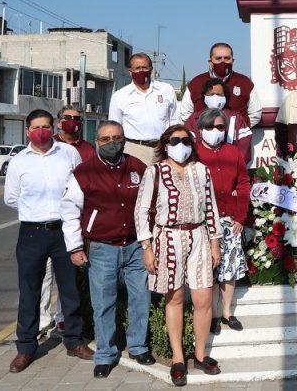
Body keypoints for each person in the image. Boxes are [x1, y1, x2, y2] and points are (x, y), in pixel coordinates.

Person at [59, 120, 155, 378]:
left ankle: (138, 346)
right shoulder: (84, 172)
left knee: (140, 298)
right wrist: (75, 247)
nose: (112, 143)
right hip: (102, 248)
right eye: (106, 139)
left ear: (123, 139)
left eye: (117, 137)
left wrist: (151, 240)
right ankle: (106, 354)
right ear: (97, 142)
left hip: (136, 245)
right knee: (103, 303)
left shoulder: (137, 167)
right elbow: (70, 212)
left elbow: (151, 203)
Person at [3, 109, 93, 373]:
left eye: (46, 126)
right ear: (28, 131)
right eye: (36, 127)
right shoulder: (19, 161)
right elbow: (11, 197)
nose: (41, 131)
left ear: (53, 128)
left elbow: (81, 187)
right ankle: (26, 348)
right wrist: (36, 209)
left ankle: (74, 341)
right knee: (30, 290)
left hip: (65, 230)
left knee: (70, 288)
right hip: (32, 232)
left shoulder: (68, 154)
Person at [135, 125, 221, 387]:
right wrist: (147, 247)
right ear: (165, 143)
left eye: (186, 140)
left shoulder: (201, 170)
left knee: (204, 297)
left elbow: (211, 208)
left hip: (199, 237)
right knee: (176, 297)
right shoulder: (155, 172)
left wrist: (215, 243)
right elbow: (141, 210)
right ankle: (177, 358)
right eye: (175, 140)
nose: (181, 144)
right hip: (168, 237)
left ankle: (201, 353)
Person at [40, 105, 97, 338]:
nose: (73, 122)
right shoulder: (47, 145)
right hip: (46, 219)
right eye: (68, 118)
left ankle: (64, 318)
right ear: (59, 121)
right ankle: (42, 320)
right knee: (43, 274)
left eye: (77, 119)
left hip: (76, 221)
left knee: (70, 274)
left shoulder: (87, 149)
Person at [193, 108, 251, 335]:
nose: (215, 131)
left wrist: (240, 216)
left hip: (230, 220)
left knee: (230, 267)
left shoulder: (233, 152)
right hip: (203, 222)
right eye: (210, 127)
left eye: (219, 127)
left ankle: (227, 312)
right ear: (200, 129)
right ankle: (213, 313)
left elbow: (243, 183)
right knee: (210, 269)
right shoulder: (194, 153)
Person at [109, 52, 180, 164]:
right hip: (134, 150)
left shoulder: (166, 90)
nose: (141, 71)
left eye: (144, 67)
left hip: (162, 149)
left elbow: (175, 121)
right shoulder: (120, 96)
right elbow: (115, 127)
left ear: (151, 69)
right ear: (130, 71)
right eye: (137, 68)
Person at [181, 42, 262, 126]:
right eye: (218, 58)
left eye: (227, 58)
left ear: (233, 60)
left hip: (236, 138)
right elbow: (185, 113)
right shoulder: (196, 83)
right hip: (201, 138)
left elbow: (255, 113)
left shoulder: (245, 83)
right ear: (210, 61)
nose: (223, 61)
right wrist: (198, 131)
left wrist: (239, 130)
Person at [183, 77, 253, 165]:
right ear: (204, 97)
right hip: (202, 170)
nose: (215, 97)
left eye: (219, 94)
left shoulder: (236, 119)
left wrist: (234, 167)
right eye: (211, 94)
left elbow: (244, 147)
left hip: (229, 169)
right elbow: (187, 145)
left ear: (225, 97)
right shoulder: (194, 120)